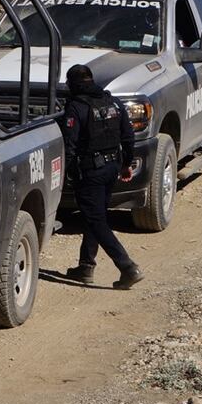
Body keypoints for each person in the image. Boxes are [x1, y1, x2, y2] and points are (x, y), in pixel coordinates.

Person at [60, 64, 144, 289]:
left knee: (96, 220)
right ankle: (86, 266)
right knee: (95, 215)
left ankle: (127, 267)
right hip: (112, 168)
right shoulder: (113, 102)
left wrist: (61, 177)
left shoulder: (76, 107)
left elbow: (70, 145)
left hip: (91, 172)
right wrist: (126, 164)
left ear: (74, 84)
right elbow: (128, 136)